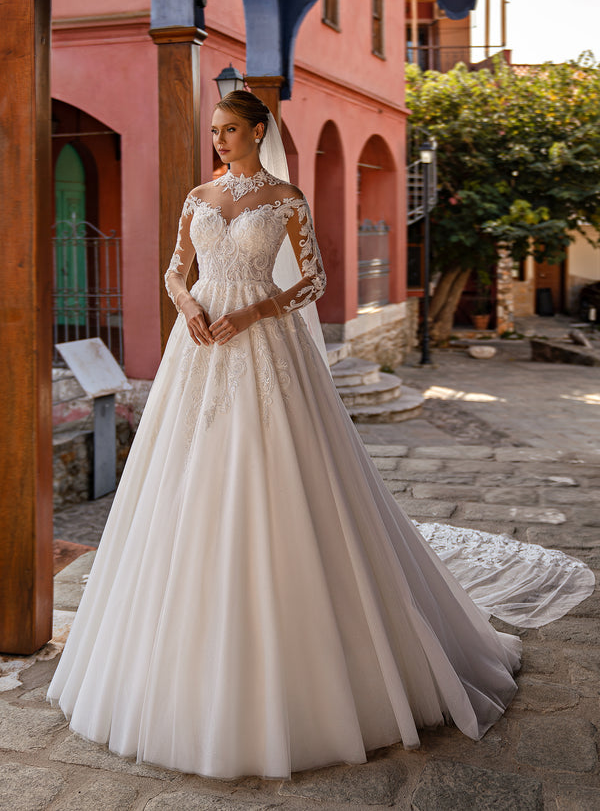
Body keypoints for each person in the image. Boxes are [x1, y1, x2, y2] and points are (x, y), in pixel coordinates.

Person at [47, 90, 594, 781]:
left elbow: (313, 280)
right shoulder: (196, 196)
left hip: (262, 343)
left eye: (231, 130)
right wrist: (188, 308)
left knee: (282, 472)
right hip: (200, 349)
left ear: (258, 131)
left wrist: (252, 312)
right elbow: (173, 272)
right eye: (214, 131)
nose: (219, 140)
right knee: (184, 475)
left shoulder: (286, 198)